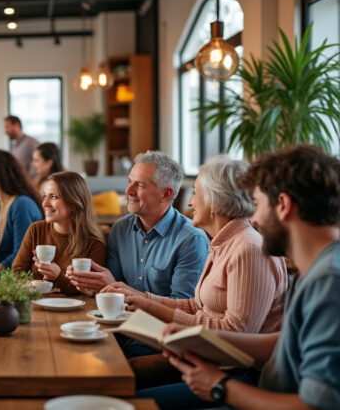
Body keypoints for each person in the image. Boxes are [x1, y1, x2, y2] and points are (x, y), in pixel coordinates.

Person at [140, 145, 340, 410]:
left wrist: (220, 386)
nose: (253, 219)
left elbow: (316, 406)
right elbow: (282, 342)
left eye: (257, 205)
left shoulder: (328, 281)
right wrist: (195, 336)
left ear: (283, 205)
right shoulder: (316, 272)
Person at [102, 156, 287, 332]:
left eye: (195, 192)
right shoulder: (223, 244)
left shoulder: (248, 249)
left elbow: (236, 332)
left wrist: (150, 307)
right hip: (201, 352)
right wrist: (143, 300)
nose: (190, 202)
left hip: (225, 364)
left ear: (214, 200)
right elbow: (195, 306)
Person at [68, 151, 208, 299]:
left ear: (166, 194)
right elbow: (112, 288)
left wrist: (116, 287)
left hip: (163, 322)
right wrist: (90, 287)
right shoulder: (120, 229)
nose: (128, 191)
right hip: (121, 318)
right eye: (129, 182)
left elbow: (183, 306)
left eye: (139, 185)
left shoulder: (191, 239)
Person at [12, 171, 106, 295]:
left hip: (73, 310)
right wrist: (38, 286)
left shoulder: (95, 243)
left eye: (54, 197)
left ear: (73, 203)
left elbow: (88, 292)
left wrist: (58, 276)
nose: (45, 204)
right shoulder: (36, 230)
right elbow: (16, 273)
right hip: (36, 305)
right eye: (44, 196)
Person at [0, 150, 43, 283]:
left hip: (18, 279)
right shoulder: (3, 204)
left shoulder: (22, 204)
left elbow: (22, 254)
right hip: (4, 274)